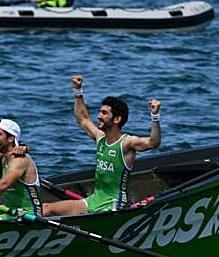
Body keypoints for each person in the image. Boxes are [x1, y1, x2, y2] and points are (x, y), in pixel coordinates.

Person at [42, 75, 162, 216]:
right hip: (94, 200)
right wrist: (78, 91)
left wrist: (155, 116)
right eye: (100, 112)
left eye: (104, 113)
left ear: (117, 119)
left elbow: (153, 142)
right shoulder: (100, 137)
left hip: (114, 205)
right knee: (46, 208)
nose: (99, 116)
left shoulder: (126, 143)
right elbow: (82, 119)